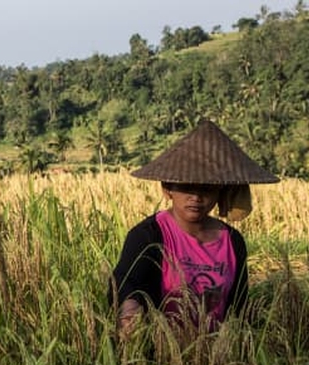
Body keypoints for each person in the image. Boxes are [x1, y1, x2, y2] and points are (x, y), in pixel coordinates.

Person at [109, 119, 279, 339]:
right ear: (168, 189)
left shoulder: (232, 241)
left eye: (206, 189)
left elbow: (238, 305)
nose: (196, 198)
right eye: (187, 187)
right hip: (162, 354)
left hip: (216, 357)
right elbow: (126, 281)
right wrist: (130, 310)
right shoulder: (148, 235)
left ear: (220, 192)